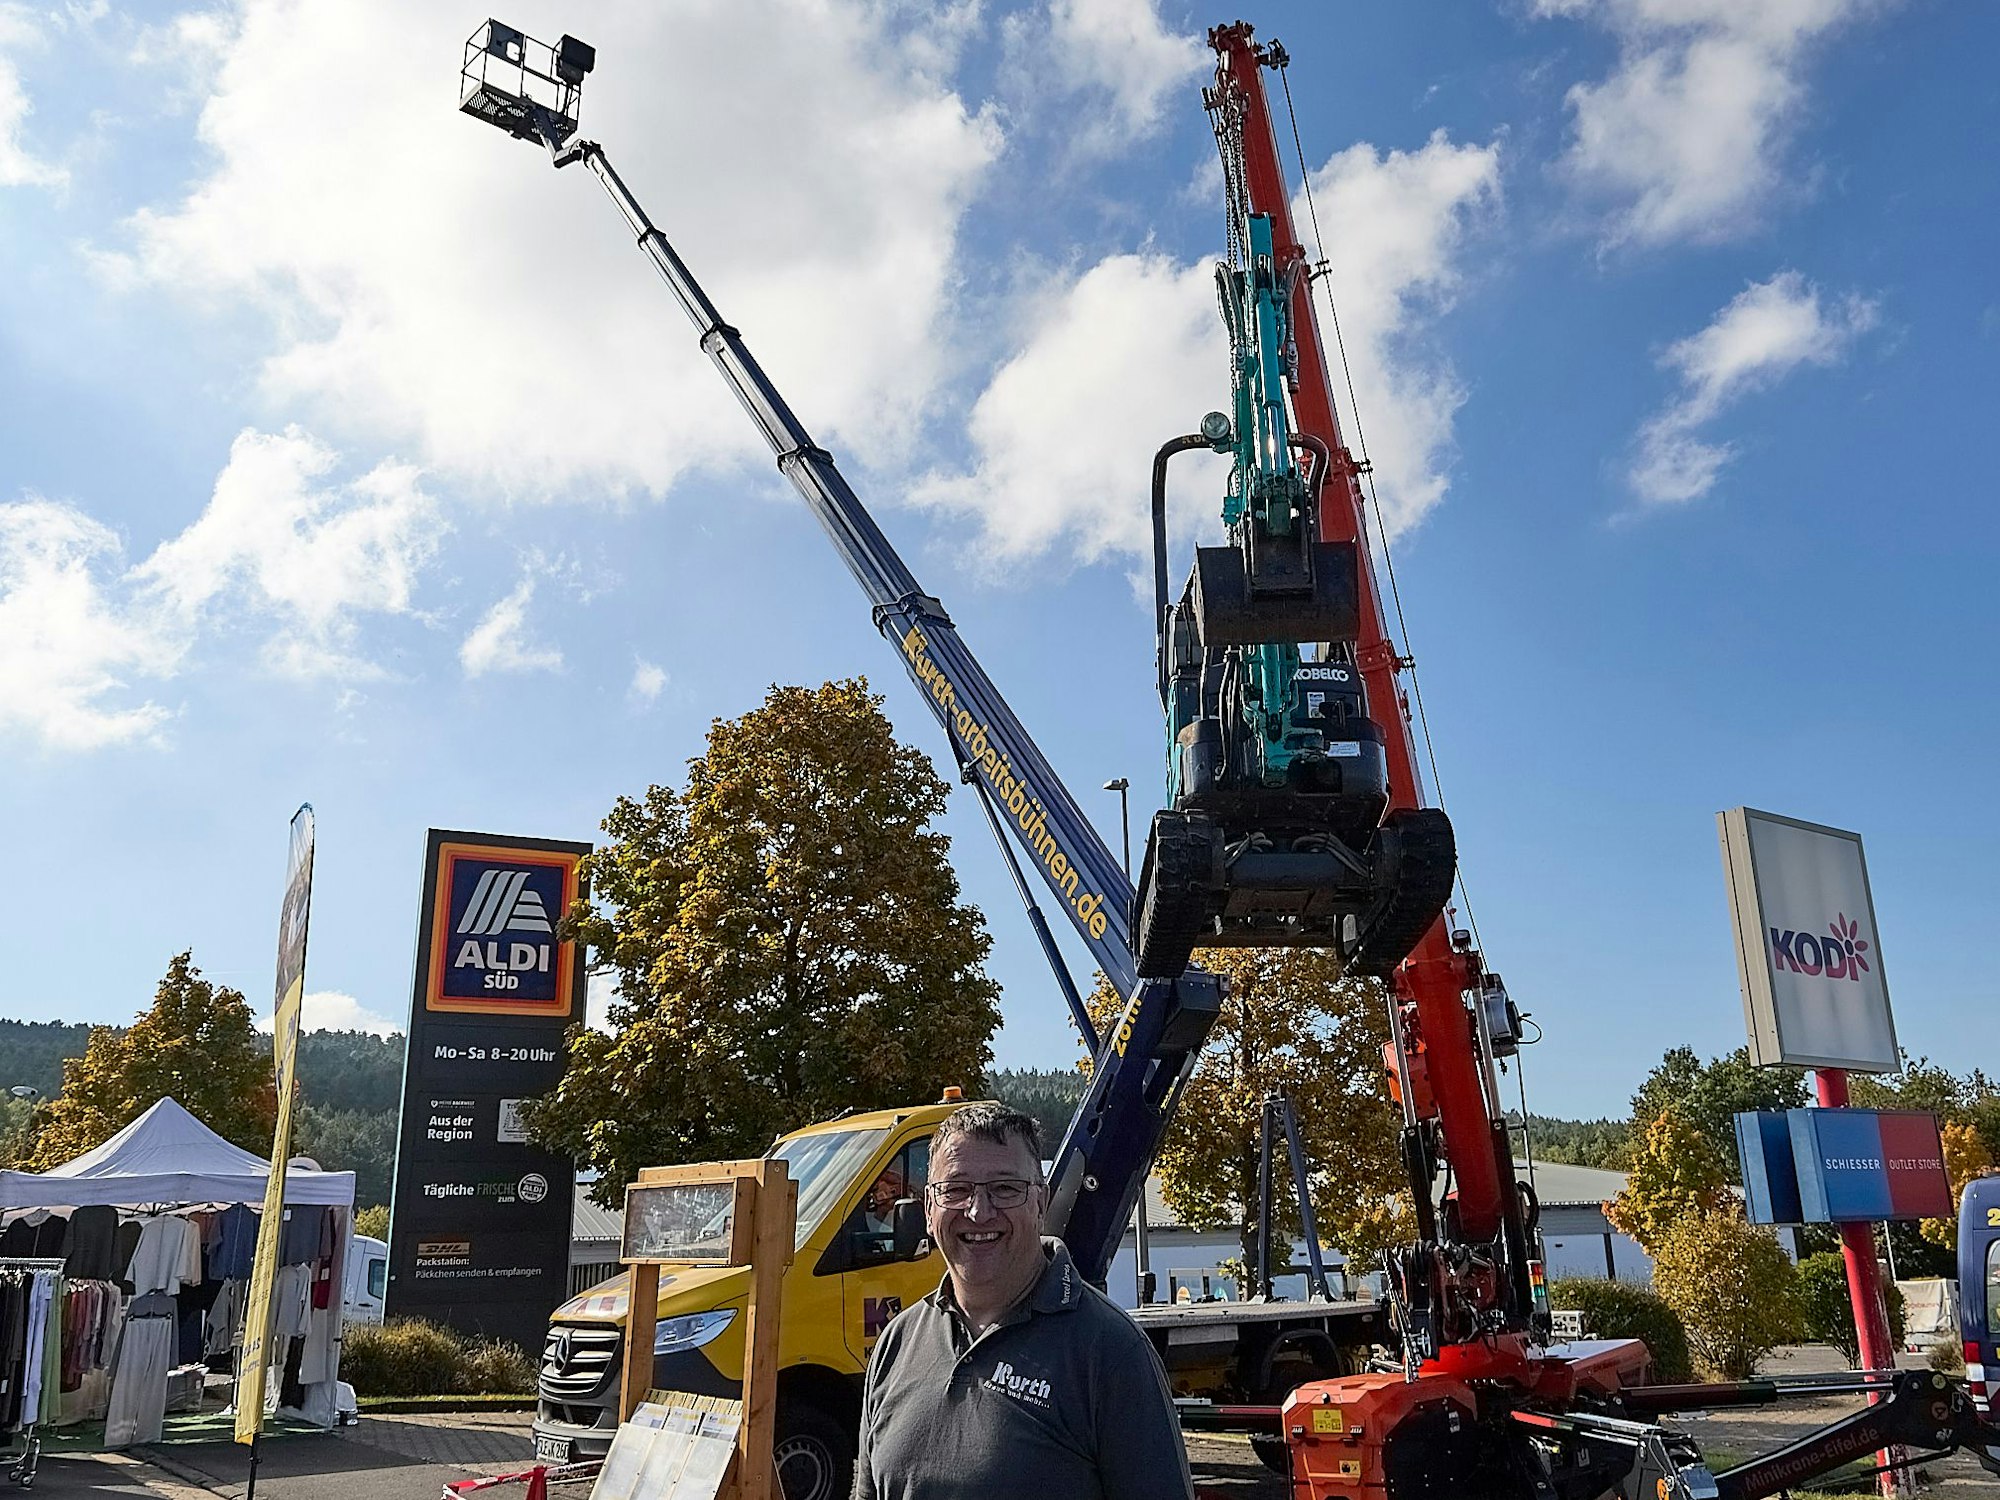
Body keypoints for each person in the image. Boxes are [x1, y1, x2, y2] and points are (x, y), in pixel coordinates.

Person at [852, 1102, 1193, 1500]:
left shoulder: (1111, 1352)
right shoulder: (897, 1344)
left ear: (1040, 1203)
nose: (979, 1212)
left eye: (1005, 1189)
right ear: (930, 1209)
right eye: (956, 1190)